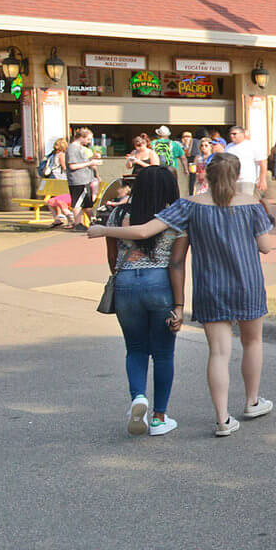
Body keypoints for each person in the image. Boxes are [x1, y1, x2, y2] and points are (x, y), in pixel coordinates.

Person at [92, 153, 275, 436]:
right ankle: (252, 401)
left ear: (205, 175)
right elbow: (265, 247)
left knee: (218, 352)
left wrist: (103, 228)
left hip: (210, 286)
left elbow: (143, 231)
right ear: (237, 176)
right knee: (253, 343)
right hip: (248, 284)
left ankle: (222, 419)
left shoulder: (189, 205)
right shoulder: (252, 205)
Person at [102, 165, 187, 437]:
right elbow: (176, 263)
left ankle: (138, 398)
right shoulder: (176, 216)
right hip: (160, 283)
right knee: (163, 353)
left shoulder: (118, 214)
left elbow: (112, 256)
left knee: (135, 348)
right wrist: (179, 305)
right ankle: (159, 417)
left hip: (126, 282)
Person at [224, 125, 268, 201]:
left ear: (242, 134)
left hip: (247, 180)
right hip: (232, 180)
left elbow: (262, 162)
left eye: (234, 134)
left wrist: (262, 179)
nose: (232, 136)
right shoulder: (228, 147)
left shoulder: (252, 145)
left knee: (246, 202)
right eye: (231, 134)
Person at [67, 127, 99, 220]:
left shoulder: (80, 148)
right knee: (78, 203)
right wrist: (91, 163)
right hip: (78, 181)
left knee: (87, 204)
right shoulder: (73, 148)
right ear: (81, 137)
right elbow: (72, 166)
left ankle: (93, 222)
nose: (89, 142)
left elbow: (81, 162)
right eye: (88, 139)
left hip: (85, 180)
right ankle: (78, 224)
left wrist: (92, 158)